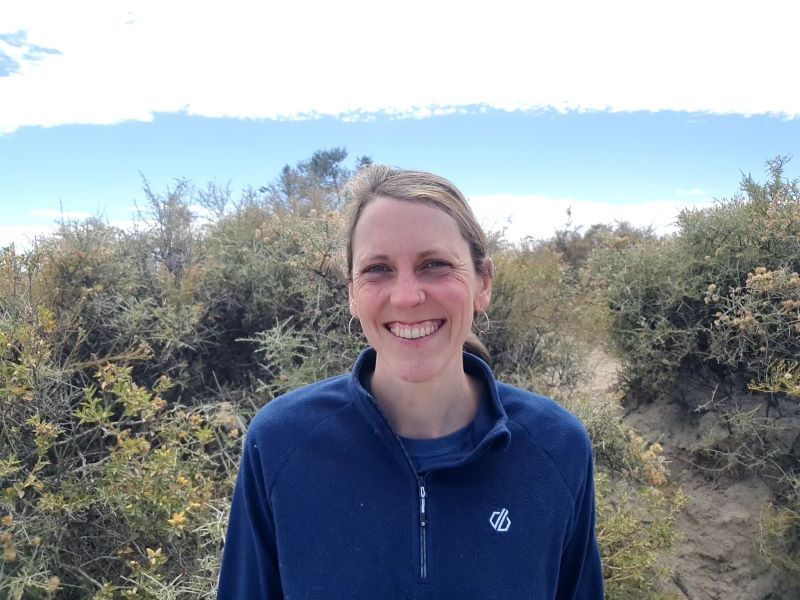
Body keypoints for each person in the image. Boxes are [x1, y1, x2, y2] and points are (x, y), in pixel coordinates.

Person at [217, 165, 604, 599]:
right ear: (351, 292)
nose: (405, 296)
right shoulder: (280, 444)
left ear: (484, 283)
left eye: (434, 265)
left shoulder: (556, 447)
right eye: (377, 269)